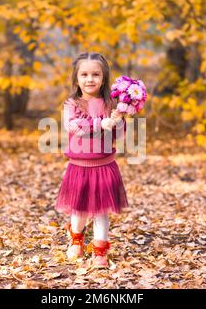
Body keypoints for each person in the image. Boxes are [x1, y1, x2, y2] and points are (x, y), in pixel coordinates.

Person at [55, 52, 128, 269]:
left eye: (95, 74)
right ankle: (76, 238)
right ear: (76, 79)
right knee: (79, 210)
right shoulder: (72, 103)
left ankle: (99, 252)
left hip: (104, 165)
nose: (90, 79)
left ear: (103, 78)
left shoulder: (109, 104)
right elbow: (73, 127)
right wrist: (100, 124)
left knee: (101, 211)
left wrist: (118, 122)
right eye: (84, 74)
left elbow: (117, 136)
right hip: (80, 166)